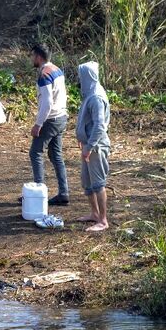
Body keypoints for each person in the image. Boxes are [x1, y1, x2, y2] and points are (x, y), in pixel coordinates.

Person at [29, 43, 70, 206]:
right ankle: (63, 192)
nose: (32, 59)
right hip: (61, 117)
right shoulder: (56, 69)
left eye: (33, 56)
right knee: (56, 155)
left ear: (38, 57)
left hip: (50, 120)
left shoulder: (44, 75)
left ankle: (39, 193)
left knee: (35, 153)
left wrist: (38, 124)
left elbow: (47, 103)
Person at [75, 61, 111, 232]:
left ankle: (103, 220)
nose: (79, 79)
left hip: (96, 146)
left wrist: (89, 146)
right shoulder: (90, 93)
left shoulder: (96, 97)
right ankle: (94, 213)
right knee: (87, 182)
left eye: (81, 75)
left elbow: (99, 126)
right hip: (88, 144)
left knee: (98, 183)